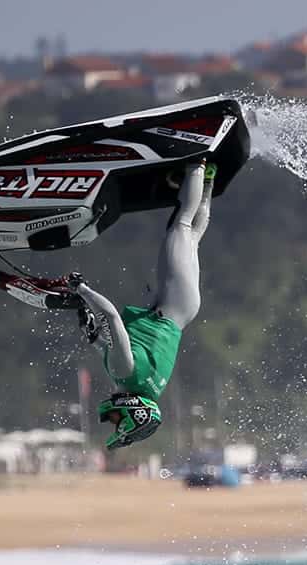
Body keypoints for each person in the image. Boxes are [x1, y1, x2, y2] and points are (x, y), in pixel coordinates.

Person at [74, 160, 215, 450]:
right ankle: (199, 163)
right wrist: (82, 289)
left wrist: (93, 338)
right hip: (173, 302)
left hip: (181, 308)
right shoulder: (125, 375)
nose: (111, 417)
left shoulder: (143, 386)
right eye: (116, 419)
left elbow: (118, 345)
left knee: (192, 238)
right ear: (132, 414)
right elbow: (112, 317)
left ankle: (210, 177)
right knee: (181, 227)